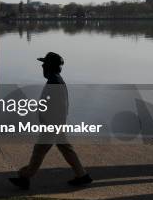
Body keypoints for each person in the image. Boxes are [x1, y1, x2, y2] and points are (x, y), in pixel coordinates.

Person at [9, 52, 92, 190]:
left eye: (45, 63)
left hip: (52, 125)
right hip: (57, 124)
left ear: (50, 66)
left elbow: (55, 106)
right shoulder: (57, 79)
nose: (42, 66)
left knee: (39, 151)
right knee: (66, 149)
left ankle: (25, 176)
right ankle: (82, 175)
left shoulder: (54, 81)